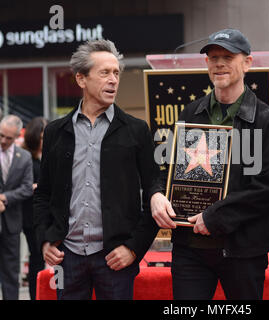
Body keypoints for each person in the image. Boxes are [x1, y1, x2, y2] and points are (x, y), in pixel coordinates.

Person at [151, 28, 269, 300]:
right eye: (213, 57)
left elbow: (268, 188)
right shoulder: (191, 113)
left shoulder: (266, 119)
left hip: (242, 250)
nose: (220, 63)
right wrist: (156, 193)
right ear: (206, 64)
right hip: (190, 248)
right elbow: (165, 166)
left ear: (247, 63)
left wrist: (216, 217)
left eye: (228, 56)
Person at [33, 39, 161, 300]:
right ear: (81, 79)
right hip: (66, 257)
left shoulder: (136, 131)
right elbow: (43, 194)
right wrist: (45, 240)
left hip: (115, 258)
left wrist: (134, 248)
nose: (113, 80)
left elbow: (153, 192)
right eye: (104, 73)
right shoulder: (56, 132)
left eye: (116, 73)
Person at [0, 115, 34, 300]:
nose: (4, 140)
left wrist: (5, 198)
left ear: (16, 137)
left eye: (9, 138)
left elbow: (27, 188)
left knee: (11, 271)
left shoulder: (24, 157)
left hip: (12, 223)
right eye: (1, 135)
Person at [21, 117, 48, 300]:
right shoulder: (26, 159)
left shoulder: (49, 156)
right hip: (31, 216)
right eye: (42, 137)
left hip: (49, 215)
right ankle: (35, 295)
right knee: (37, 257)